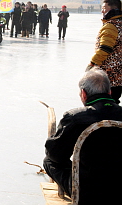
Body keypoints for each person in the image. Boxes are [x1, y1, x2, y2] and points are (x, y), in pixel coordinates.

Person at [43, 68, 122, 204]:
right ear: (109, 92)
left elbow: (55, 155)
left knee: (49, 161)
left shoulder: (76, 118)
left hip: (87, 192)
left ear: (83, 94)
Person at [87, 0, 122, 103]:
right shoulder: (119, 23)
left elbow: (104, 49)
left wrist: (92, 64)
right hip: (118, 75)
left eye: (104, 8)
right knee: (113, 102)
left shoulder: (111, 26)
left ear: (112, 9)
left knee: (105, 102)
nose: (102, 11)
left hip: (109, 75)